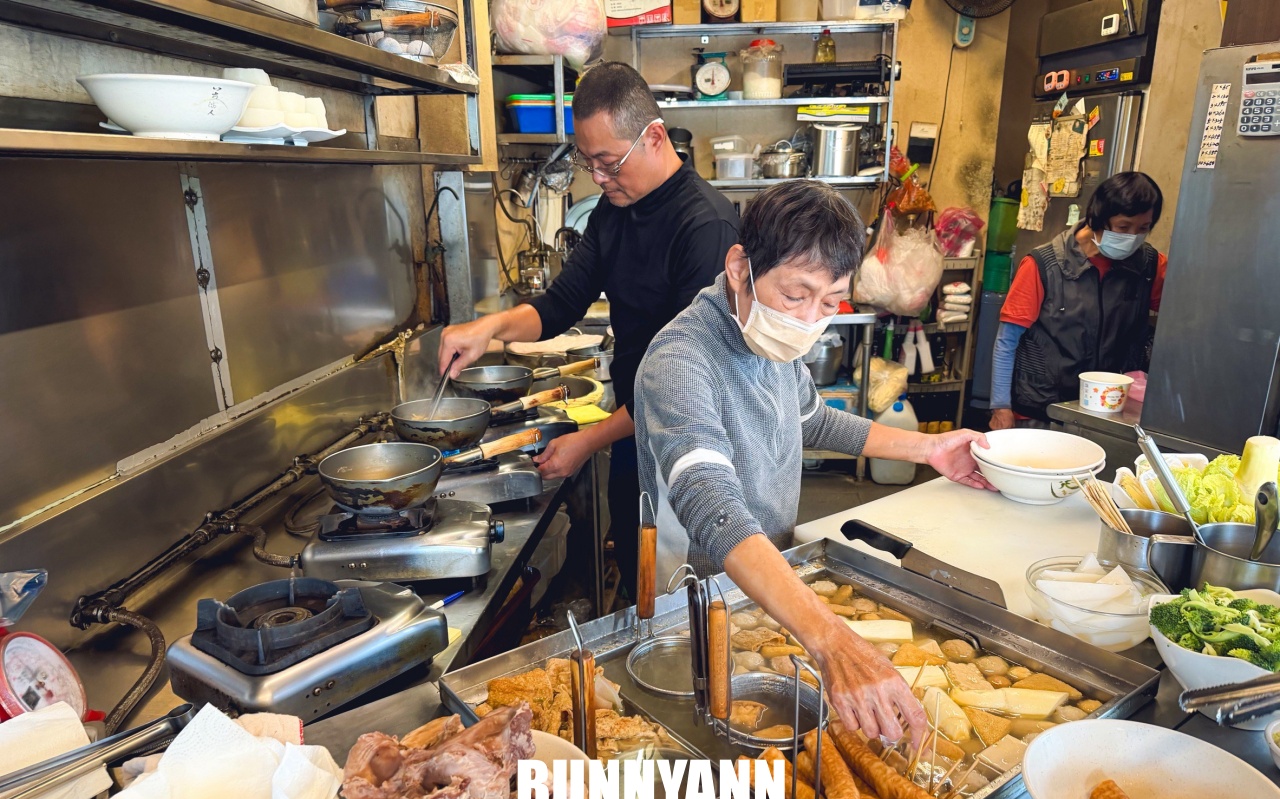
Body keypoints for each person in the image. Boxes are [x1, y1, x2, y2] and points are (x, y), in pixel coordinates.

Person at [633, 180, 994, 745]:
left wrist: (929, 450)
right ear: (739, 268)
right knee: (707, 745)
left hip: (773, 586)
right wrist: (832, 641)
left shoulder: (774, 343)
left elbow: (813, 421)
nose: (808, 319)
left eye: (830, 302)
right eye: (795, 294)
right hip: (698, 599)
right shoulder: (681, 361)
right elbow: (711, 504)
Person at [439, 62, 738, 600]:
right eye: (588, 162)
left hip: (690, 441)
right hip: (633, 428)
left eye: (608, 162)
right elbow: (560, 305)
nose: (598, 178)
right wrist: (490, 329)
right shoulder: (611, 212)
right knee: (635, 562)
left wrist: (588, 442)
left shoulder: (706, 228)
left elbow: (691, 384)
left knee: (685, 587)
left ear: (654, 137)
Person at [989, 171, 1167, 428]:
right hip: (1044, 412)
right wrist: (1000, 406)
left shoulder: (1148, 266)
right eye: (1123, 227)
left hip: (1111, 413)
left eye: (1143, 229)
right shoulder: (1043, 265)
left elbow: (1180, 321)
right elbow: (1007, 341)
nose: (1132, 238)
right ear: (1098, 218)